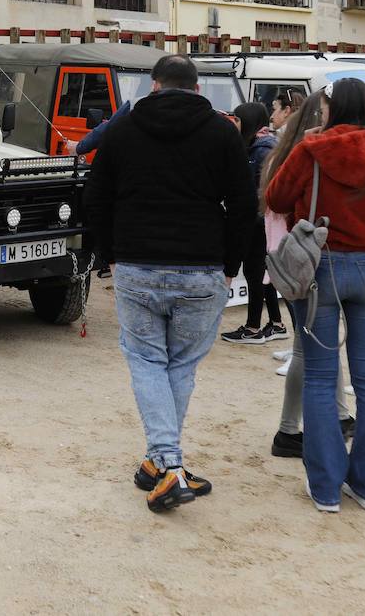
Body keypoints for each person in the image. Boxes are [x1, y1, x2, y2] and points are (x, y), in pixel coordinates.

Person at [84, 54, 256, 513]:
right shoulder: (223, 132)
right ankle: (166, 464)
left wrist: (109, 256)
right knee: (179, 366)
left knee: (146, 361)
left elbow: (95, 196)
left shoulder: (122, 129)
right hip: (202, 266)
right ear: (198, 89)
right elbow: (243, 203)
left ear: (154, 85)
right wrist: (231, 264)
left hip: (137, 263)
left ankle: (163, 465)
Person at [266, 78, 365, 513]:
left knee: (320, 378)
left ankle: (325, 489)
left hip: (319, 269)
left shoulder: (311, 149)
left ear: (329, 109)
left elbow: (276, 197)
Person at [261, 93, 355, 459]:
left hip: (287, 260)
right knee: (308, 347)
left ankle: (341, 416)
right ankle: (288, 431)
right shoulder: (305, 158)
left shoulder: (282, 154)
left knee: (317, 343)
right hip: (302, 262)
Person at [221, 102, 287, 344]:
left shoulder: (262, 150)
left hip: (258, 221)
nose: (234, 124)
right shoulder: (258, 145)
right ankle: (277, 324)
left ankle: (252, 328)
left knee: (254, 272)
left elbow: (258, 191)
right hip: (261, 220)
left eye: (237, 120)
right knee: (263, 272)